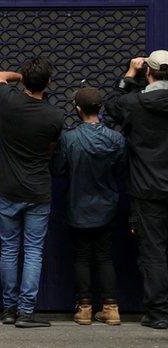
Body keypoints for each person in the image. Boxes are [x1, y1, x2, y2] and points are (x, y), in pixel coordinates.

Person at [0, 57, 65, 328]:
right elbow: (49, 149)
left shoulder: (9, 101)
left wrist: (19, 77)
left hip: (7, 187)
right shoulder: (54, 116)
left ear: (24, 79)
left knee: (9, 248)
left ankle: (8, 309)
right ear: (48, 83)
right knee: (33, 251)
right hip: (37, 190)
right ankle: (25, 312)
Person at [104, 50, 168, 330]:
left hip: (148, 190)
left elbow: (111, 106)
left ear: (148, 73)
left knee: (154, 253)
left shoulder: (135, 104)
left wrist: (129, 75)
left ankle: (159, 313)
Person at [52, 87, 125, 326]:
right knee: (104, 256)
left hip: (78, 206)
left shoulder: (69, 139)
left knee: (81, 256)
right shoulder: (116, 139)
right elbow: (120, 170)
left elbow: (59, 170)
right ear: (101, 108)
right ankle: (111, 308)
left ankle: (84, 308)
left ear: (78, 110)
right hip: (107, 206)